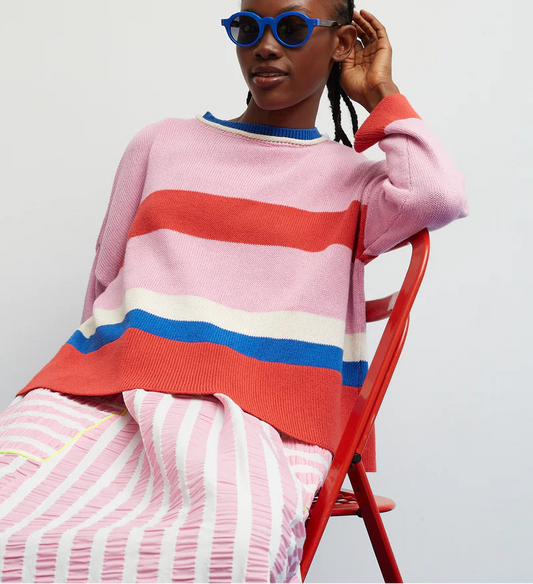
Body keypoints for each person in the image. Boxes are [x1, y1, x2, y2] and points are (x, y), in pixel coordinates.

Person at [0, 1, 469, 582]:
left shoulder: (355, 179)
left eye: (291, 29)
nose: (265, 46)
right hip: (108, 394)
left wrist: (380, 93)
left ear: (342, 43)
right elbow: (105, 281)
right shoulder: (161, 144)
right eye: (248, 28)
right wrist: (94, 380)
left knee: (231, 544)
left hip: (264, 416)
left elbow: (438, 196)